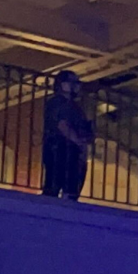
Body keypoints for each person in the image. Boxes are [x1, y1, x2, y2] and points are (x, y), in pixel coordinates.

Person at [41, 72, 93, 200]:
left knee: (70, 185)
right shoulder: (58, 103)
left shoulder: (74, 106)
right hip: (60, 148)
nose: (76, 86)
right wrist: (78, 141)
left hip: (71, 149)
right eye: (72, 82)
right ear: (62, 84)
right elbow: (62, 124)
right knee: (57, 183)